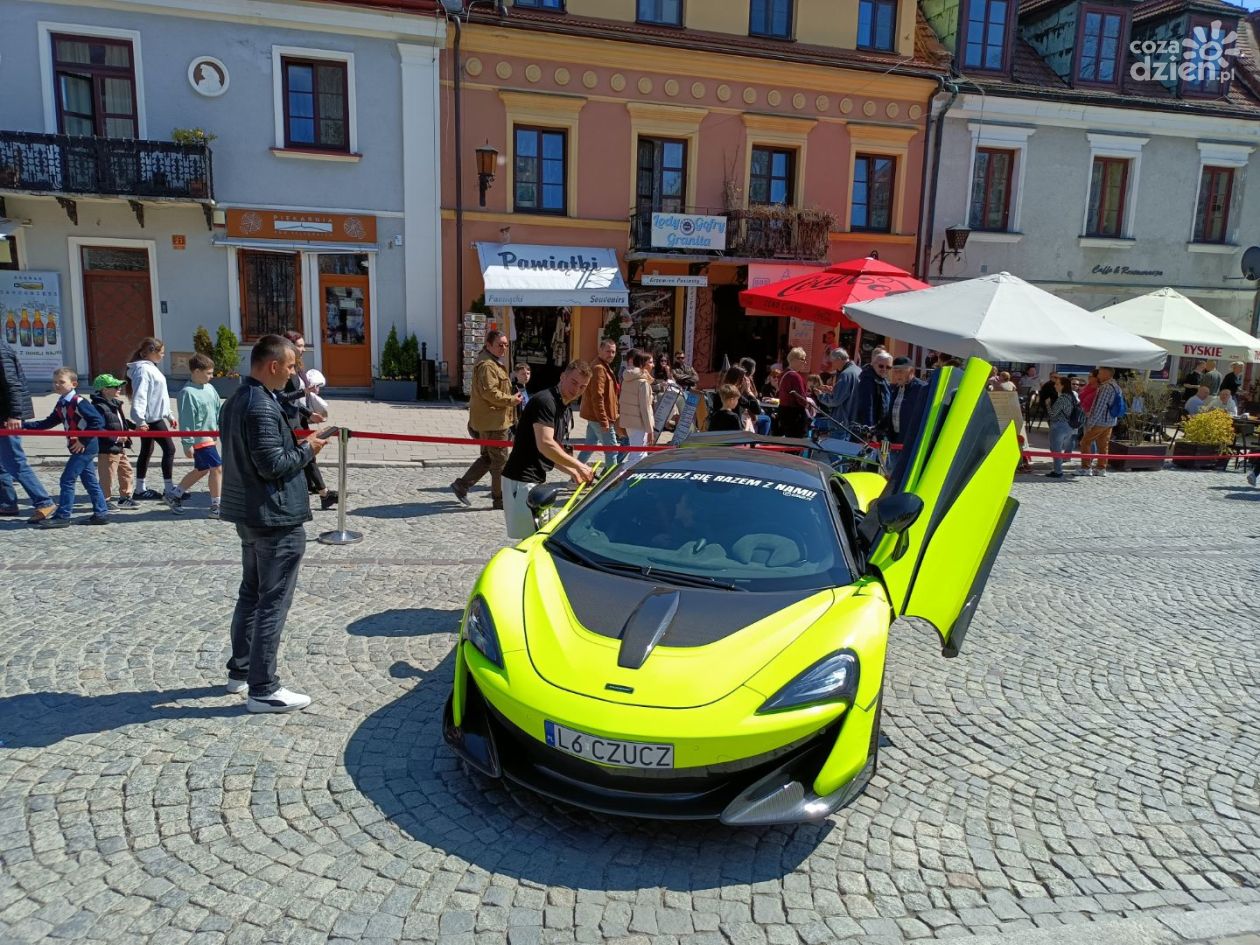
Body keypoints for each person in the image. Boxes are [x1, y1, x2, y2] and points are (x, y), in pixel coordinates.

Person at [219, 334, 327, 713]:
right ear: (273, 365)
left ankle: (241, 671)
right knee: (272, 602)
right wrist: (308, 449)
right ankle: (263, 688)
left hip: (251, 513)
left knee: (251, 594)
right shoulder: (259, 406)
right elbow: (273, 465)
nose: (294, 372)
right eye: (291, 366)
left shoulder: (239, 399)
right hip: (274, 517)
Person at [501, 360, 594, 540]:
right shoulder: (545, 401)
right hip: (520, 480)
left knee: (539, 538)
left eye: (583, 387)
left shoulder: (563, 407)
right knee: (530, 540)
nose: (576, 390)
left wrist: (573, 472)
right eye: (574, 382)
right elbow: (545, 444)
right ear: (562, 376)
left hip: (535, 480)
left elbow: (549, 453)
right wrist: (579, 466)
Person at [23, 367, 109, 527]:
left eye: (61, 382)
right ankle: (101, 513)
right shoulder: (62, 403)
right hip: (79, 447)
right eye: (55, 382)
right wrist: (23, 425)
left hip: (85, 447)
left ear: (74, 384)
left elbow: (97, 421)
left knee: (67, 479)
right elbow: (47, 423)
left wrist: (83, 440)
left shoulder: (79, 402)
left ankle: (63, 516)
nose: (57, 385)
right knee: (90, 482)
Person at [451, 330, 520, 510]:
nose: (504, 348)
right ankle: (500, 499)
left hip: (492, 420)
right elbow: (490, 393)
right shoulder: (488, 365)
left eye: (506, 345)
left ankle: (462, 485)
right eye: (500, 345)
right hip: (493, 423)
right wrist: (512, 400)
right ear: (488, 345)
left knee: (488, 458)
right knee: (500, 462)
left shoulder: (492, 361)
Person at [0, 337, 56, 523]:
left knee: (15, 461)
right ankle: (7, 503)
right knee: (3, 463)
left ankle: (44, 502)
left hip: (7, 417)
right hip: (3, 414)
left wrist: (15, 415)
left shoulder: (1, 351)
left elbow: (12, 384)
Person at [280, 332, 337, 511]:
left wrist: (309, 413)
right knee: (306, 453)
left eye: (303, 345)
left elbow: (297, 399)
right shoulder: (283, 367)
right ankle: (323, 493)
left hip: (299, 416)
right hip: (288, 419)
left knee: (307, 454)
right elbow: (281, 397)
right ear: (289, 346)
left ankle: (317, 489)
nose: (303, 349)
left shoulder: (297, 365)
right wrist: (304, 393)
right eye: (299, 345)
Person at [169, 353, 224, 517]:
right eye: (208, 373)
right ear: (197, 371)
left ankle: (175, 494)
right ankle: (216, 506)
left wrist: (219, 429)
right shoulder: (187, 393)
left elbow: (217, 409)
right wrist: (187, 443)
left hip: (210, 436)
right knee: (217, 468)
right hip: (200, 438)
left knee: (202, 469)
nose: (211, 376)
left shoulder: (210, 388)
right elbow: (186, 419)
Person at [126, 337, 178, 502]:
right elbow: (140, 395)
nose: (163, 355)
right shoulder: (143, 370)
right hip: (151, 419)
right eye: (161, 352)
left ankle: (140, 488)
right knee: (169, 449)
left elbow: (159, 395)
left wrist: (169, 414)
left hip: (153, 416)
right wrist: (140, 420)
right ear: (151, 352)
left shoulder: (151, 368)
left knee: (147, 450)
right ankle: (169, 489)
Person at [90, 373, 138, 511]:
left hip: (119, 446)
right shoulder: (98, 407)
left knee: (126, 471)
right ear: (105, 390)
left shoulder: (114, 404)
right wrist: (116, 438)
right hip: (107, 447)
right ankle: (104, 500)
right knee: (107, 475)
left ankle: (125, 498)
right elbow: (98, 428)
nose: (119, 389)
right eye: (116, 386)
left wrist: (134, 426)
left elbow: (120, 421)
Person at [577, 339, 619, 465]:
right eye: (608, 351)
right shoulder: (599, 368)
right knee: (612, 450)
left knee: (589, 447)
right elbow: (597, 397)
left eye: (613, 352)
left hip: (595, 417)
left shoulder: (602, 365)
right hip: (600, 418)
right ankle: (611, 477)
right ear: (600, 350)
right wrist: (604, 420)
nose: (611, 354)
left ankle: (575, 473)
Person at [1078, 365, 1121, 477]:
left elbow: (1099, 407)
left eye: (1100, 373)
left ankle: (1086, 468)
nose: (1098, 375)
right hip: (1110, 421)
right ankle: (1101, 468)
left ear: (1107, 374)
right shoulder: (1116, 386)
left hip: (1100, 421)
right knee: (1103, 445)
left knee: (1085, 442)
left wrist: (1091, 423)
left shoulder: (1105, 387)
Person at [618, 350, 656, 464]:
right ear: (642, 364)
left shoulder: (628, 378)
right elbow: (645, 409)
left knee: (638, 454)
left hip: (630, 422)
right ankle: (625, 474)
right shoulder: (642, 383)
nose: (653, 365)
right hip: (639, 423)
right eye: (650, 362)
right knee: (637, 456)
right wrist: (650, 430)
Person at [885, 357, 929, 444]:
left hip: (912, 442)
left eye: (900, 371)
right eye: (895, 371)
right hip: (895, 441)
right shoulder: (894, 389)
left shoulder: (922, 389)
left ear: (911, 371)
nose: (897, 375)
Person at [819, 347, 861, 432]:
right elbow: (849, 393)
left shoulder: (845, 374)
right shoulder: (858, 370)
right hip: (854, 420)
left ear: (838, 359)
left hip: (843, 423)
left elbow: (835, 401)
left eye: (832, 362)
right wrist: (833, 391)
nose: (832, 365)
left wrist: (821, 396)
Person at [1045, 375, 1078, 478]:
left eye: (1057, 384)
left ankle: (1058, 471)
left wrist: (1048, 405)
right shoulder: (1071, 397)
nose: (1055, 386)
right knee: (1058, 449)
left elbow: (1052, 414)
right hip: (1068, 426)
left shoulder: (1062, 398)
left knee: (1056, 449)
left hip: (1059, 426)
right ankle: (1057, 469)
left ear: (1063, 386)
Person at [776, 347, 811, 438]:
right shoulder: (795, 376)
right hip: (795, 415)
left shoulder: (783, 374)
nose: (805, 362)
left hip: (784, 412)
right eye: (803, 359)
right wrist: (809, 403)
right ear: (795, 360)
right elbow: (801, 399)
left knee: (788, 441)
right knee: (798, 443)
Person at [854, 351, 893, 429]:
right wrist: (869, 429)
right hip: (870, 429)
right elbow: (866, 407)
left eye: (888, 367)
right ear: (873, 364)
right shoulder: (867, 380)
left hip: (880, 428)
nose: (884, 369)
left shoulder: (884, 380)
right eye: (881, 366)